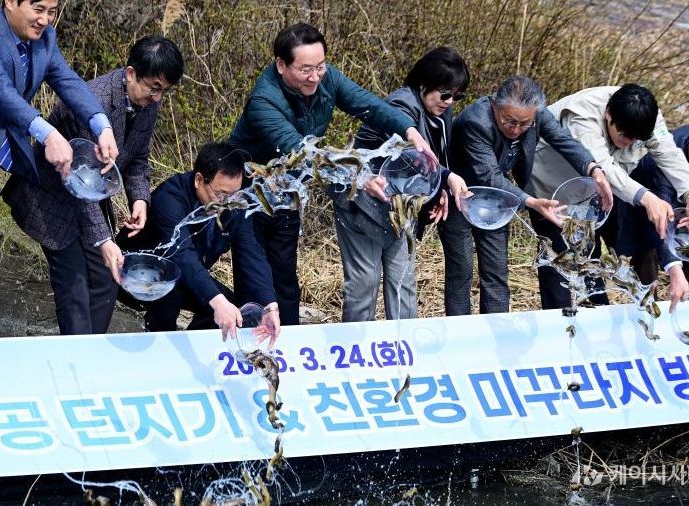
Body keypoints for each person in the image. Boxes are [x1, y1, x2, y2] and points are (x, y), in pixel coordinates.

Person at [229, 22, 437, 326]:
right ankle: (250, 346)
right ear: (281, 65)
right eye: (305, 70)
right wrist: (359, 177)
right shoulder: (264, 102)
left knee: (285, 277)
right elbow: (302, 153)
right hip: (248, 192)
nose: (315, 77)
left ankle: (291, 349)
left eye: (321, 66)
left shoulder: (327, 79)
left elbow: (370, 106)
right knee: (255, 275)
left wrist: (410, 131)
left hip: (287, 188)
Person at [3, 35, 183, 335]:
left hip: (90, 196)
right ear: (130, 73)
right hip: (51, 199)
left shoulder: (148, 100)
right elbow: (78, 187)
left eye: (164, 91)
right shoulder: (92, 102)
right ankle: (78, 366)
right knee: (74, 286)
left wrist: (140, 199)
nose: (158, 98)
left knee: (107, 278)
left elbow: (138, 156)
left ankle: (89, 352)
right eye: (155, 88)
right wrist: (105, 240)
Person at [439, 75, 613, 315]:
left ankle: (496, 331)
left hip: (497, 200)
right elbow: (489, 175)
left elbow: (563, 140)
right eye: (509, 122)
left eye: (524, 124)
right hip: (460, 196)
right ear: (495, 105)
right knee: (461, 271)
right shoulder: (475, 121)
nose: (516, 130)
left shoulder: (536, 114)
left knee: (497, 272)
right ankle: (459, 334)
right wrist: (530, 201)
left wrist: (594, 169)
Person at [529, 84, 689, 310]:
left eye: (636, 139)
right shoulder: (582, 114)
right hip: (550, 188)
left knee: (589, 258)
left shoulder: (648, 118)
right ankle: (558, 323)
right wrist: (647, 197)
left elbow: (669, 154)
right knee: (557, 260)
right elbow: (602, 168)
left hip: (591, 197)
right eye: (624, 136)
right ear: (608, 114)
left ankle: (594, 315)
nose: (629, 142)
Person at [332, 46, 470, 322]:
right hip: (363, 203)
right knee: (364, 283)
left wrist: (437, 189)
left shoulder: (440, 110)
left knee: (402, 283)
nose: (450, 101)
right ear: (423, 85)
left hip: (400, 207)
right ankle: (356, 352)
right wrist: (447, 178)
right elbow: (411, 154)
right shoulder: (401, 104)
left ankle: (404, 353)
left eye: (457, 96)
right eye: (445, 94)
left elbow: (434, 157)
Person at [0, 0, 118, 271]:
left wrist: (102, 126)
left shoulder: (45, 39)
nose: (45, 20)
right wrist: (47, 133)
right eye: (38, 9)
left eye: (52, 12)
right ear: (10, 2)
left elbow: (67, 80)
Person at [117, 142, 281, 346]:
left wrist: (270, 306)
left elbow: (251, 251)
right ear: (199, 180)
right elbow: (182, 255)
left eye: (233, 195)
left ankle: (197, 349)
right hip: (136, 273)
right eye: (220, 194)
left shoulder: (233, 201)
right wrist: (217, 301)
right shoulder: (170, 198)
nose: (226, 203)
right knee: (175, 295)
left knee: (229, 305)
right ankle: (157, 349)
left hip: (183, 272)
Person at [616, 118, 689, 312]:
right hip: (643, 200)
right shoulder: (662, 161)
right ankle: (647, 314)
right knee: (647, 252)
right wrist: (675, 270)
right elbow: (663, 220)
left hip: (686, 196)